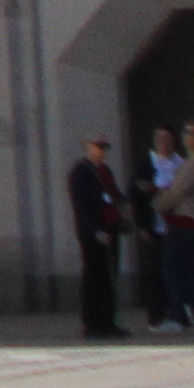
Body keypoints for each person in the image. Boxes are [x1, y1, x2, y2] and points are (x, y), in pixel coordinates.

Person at [149, 125, 194, 333]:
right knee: (188, 271)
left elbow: (178, 191)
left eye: (191, 132)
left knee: (173, 271)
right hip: (187, 222)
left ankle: (179, 316)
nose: (186, 136)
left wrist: (156, 205)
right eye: (185, 132)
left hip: (186, 222)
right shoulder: (192, 163)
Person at [65, 135, 130, 338]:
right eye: (97, 147)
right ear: (87, 148)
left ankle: (108, 322)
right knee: (95, 277)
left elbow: (113, 194)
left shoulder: (104, 171)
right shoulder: (81, 172)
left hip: (110, 228)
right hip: (93, 231)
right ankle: (92, 323)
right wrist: (96, 230)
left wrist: (125, 203)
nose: (101, 151)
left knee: (109, 278)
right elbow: (82, 206)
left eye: (104, 148)